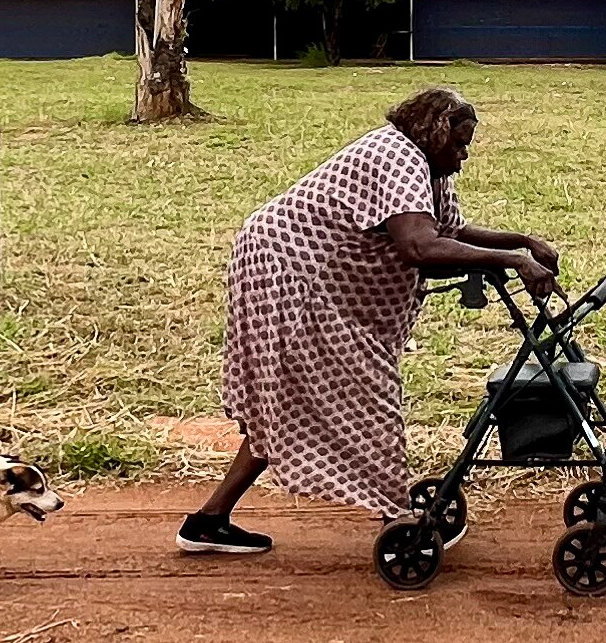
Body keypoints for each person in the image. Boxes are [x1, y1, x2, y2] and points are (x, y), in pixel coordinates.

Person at [183, 87, 557, 557]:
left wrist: (521, 243)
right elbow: (419, 248)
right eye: (459, 144)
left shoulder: (425, 166)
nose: (463, 156)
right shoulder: (397, 159)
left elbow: (449, 233)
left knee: (293, 399)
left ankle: (209, 520)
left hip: (309, 275)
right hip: (290, 275)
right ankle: (396, 516)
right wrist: (512, 261)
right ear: (436, 133)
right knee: (367, 391)